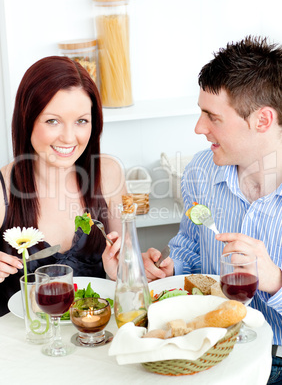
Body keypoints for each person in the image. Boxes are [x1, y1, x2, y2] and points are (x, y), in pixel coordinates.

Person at [105, 36, 282, 384]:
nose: (199, 128)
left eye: (212, 117)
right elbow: (191, 247)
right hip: (207, 348)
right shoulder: (201, 171)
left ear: (262, 120)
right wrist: (170, 267)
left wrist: (275, 281)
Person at [0, 55, 126, 316]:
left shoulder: (109, 174)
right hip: (20, 345)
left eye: (81, 121)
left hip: (93, 335)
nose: (69, 137)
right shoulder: (3, 189)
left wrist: (121, 273)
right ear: (27, 119)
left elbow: (129, 281)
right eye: (52, 121)